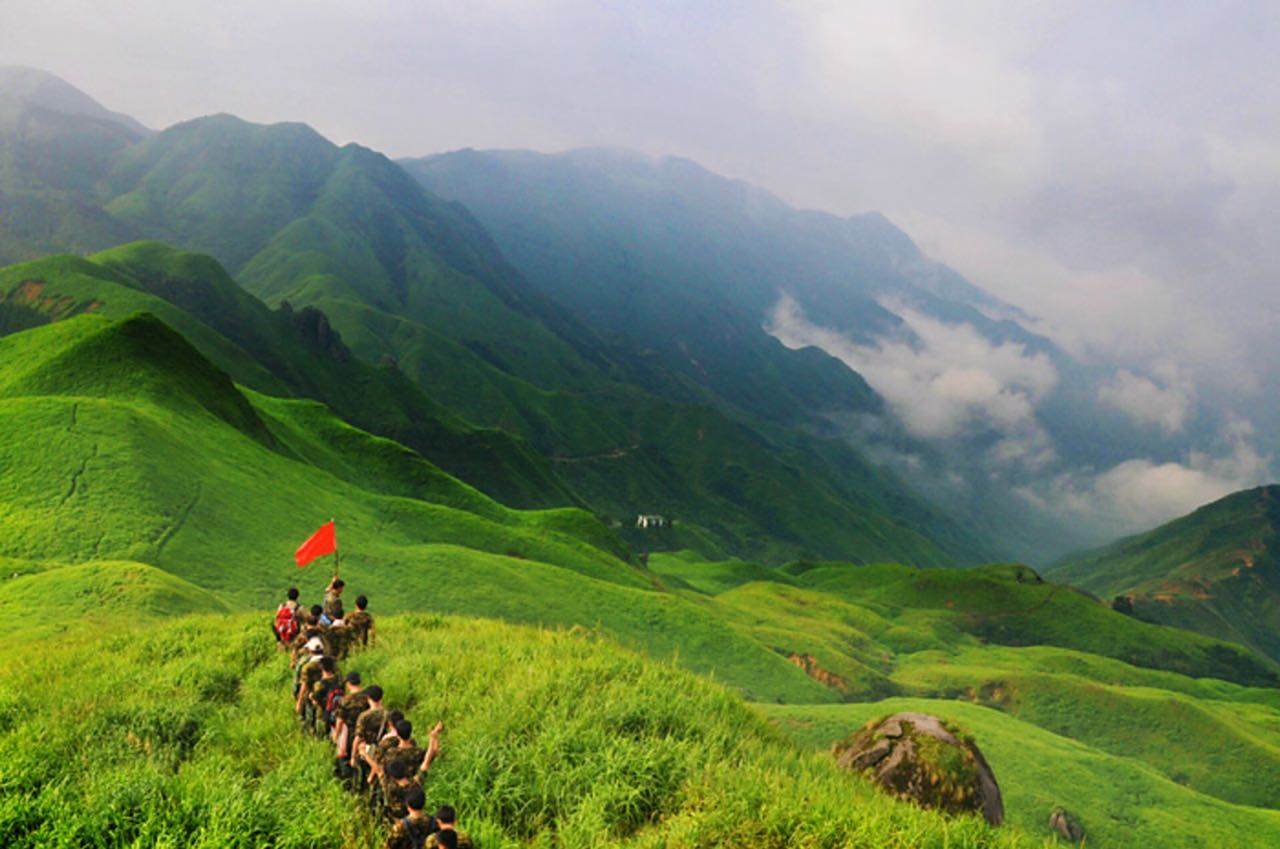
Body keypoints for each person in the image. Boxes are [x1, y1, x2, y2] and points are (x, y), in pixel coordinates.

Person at [350, 685, 388, 786]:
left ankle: (360, 787)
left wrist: (353, 756)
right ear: (381, 698)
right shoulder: (387, 713)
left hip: (368, 748)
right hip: (382, 748)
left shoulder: (364, 716)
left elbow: (358, 738)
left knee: (361, 771)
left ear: (368, 698)